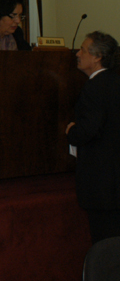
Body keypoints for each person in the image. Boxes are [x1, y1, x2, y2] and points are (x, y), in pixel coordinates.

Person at [66, 31, 120, 244]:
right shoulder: (116, 82)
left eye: (83, 50)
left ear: (97, 57)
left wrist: (71, 130)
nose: (77, 54)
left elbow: (88, 130)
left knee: (106, 248)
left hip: (102, 186)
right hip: (115, 183)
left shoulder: (94, 87)